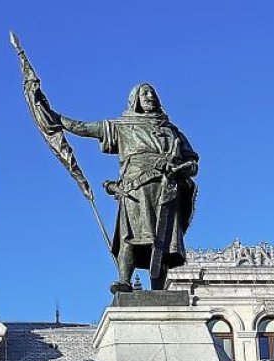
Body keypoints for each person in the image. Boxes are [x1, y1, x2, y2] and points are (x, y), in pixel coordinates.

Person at [59, 83, 199, 292]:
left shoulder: (172, 130)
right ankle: (124, 279)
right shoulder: (123, 126)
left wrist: (181, 168)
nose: (150, 96)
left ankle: (158, 290)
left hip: (167, 188)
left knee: (162, 241)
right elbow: (82, 127)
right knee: (130, 235)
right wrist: (54, 117)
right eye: (145, 93)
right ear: (135, 99)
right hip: (135, 188)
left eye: (153, 93)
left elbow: (193, 163)